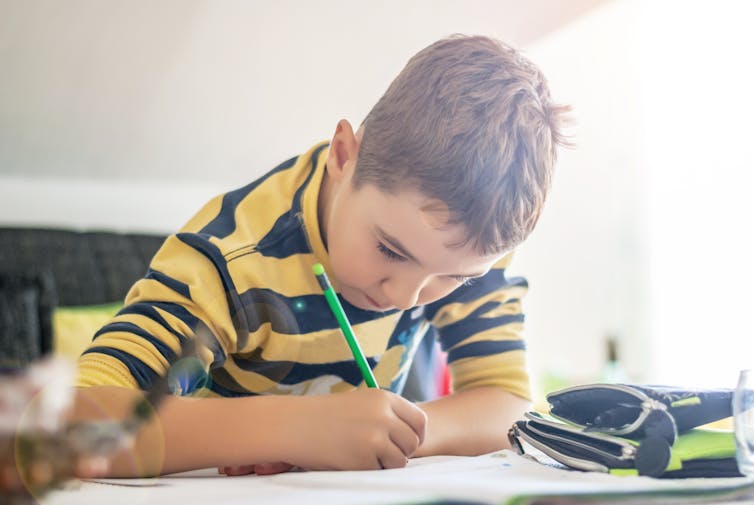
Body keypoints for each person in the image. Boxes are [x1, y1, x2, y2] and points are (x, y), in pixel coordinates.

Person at [71, 34, 569, 477]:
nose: (404, 296)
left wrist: (396, 433)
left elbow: (508, 404)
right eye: (389, 250)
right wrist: (292, 430)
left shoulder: (464, 243)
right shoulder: (232, 257)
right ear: (343, 153)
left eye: (453, 279)